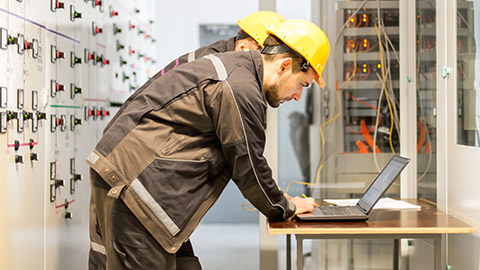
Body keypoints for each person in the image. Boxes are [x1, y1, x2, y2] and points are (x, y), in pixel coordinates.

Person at [87, 19, 330, 270]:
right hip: (135, 187)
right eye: (302, 84)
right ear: (285, 65)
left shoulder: (237, 70)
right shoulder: (240, 87)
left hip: (135, 182)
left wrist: (279, 200)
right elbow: (248, 162)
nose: (298, 96)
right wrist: (284, 206)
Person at [103, 11, 285, 133]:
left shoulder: (219, 61)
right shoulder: (215, 70)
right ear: (244, 47)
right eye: (265, 57)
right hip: (129, 150)